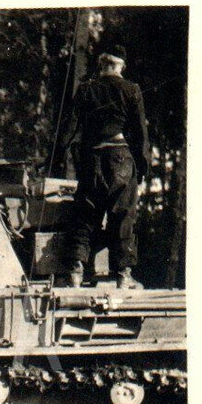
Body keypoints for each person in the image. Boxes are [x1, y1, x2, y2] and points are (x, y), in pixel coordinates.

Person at [61, 44, 151, 289]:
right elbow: (141, 133)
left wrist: (60, 153)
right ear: (121, 66)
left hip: (92, 160)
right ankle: (123, 275)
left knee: (85, 215)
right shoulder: (131, 89)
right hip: (120, 160)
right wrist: (143, 166)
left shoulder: (86, 89)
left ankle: (75, 273)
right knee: (122, 216)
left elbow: (70, 128)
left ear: (101, 64)